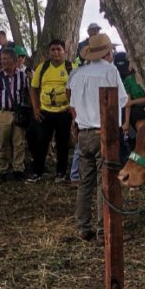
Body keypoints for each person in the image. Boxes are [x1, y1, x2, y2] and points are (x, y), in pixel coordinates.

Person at [67, 34, 128, 244]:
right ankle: (105, 230)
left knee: (85, 182)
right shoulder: (110, 71)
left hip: (83, 132)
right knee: (107, 181)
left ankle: (83, 227)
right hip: (104, 132)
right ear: (108, 52)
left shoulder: (77, 74)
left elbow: (72, 104)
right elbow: (122, 98)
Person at [27, 39, 73, 183]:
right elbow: (34, 88)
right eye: (53, 49)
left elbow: (77, 89)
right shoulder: (43, 67)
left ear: (64, 51)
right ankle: (37, 172)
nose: (56, 52)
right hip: (45, 112)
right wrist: (35, 108)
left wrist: (72, 107)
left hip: (64, 112)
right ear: (49, 52)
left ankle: (60, 173)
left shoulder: (71, 67)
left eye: (59, 49)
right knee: (40, 142)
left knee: (62, 143)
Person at [0, 47, 30, 181]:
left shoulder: (23, 76)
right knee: (2, 142)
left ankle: (18, 168)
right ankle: (2, 169)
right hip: (2, 113)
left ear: (14, 60)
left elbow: (28, 94)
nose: (3, 61)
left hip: (18, 113)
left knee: (19, 143)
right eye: (2, 59)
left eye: (6, 59)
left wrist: (30, 111)